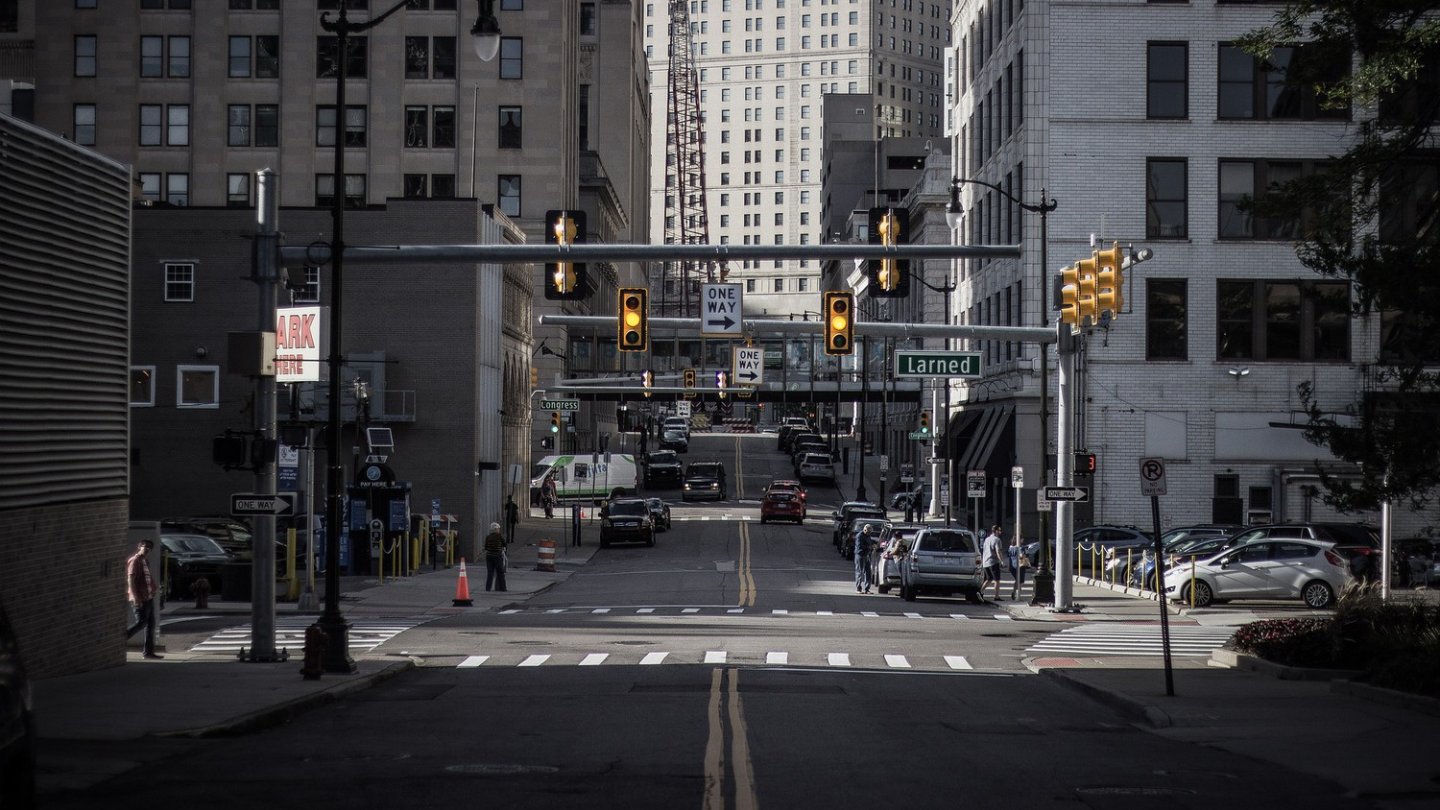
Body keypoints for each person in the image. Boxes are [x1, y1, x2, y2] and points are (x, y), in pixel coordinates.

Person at [125, 539, 162, 658]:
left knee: (150, 625)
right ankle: (121, 639)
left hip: (148, 597)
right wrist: (135, 597)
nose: (147, 549)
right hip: (139, 598)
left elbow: (147, 578)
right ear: (139, 547)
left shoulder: (145, 561)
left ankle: (148, 652)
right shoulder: (135, 560)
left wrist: (153, 588)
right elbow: (130, 579)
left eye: (149, 548)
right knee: (141, 622)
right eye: (144, 546)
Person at [980, 525, 1005, 602]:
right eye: (999, 530)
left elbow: (984, 550)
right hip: (993, 562)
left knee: (989, 579)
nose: (1000, 532)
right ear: (996, 531)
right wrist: (1002, 561)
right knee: (997, 580)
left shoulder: (987, 539)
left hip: (985, 562)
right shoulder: (997, 539)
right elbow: (998, 551)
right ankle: (996, 596)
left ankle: (980, 592)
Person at [483, 522, 507, 592]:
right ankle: (503, 588)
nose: (499, 530)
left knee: (490, 573)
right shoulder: (500, 536)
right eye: (498, 529)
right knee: (500, 572)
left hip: (489, 556)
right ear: (495, 529)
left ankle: (488, 588)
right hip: (497, 556)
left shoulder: (488, 537)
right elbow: (505, 545)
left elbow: (486, 547)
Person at [854, 524, 876, 594]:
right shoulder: (859, 536)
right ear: (865, 530)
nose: (869, 533)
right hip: (860, 555)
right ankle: (858, 588)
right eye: (868, 532)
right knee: (860, 572)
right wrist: (869, 547)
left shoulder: (868, 536)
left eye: (870, 532)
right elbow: (859, 546)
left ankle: (867, 589)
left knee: (868, 572)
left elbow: (870, 541)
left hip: (867, 555)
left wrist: (874, 544)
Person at [1009, 534, 1030, 600]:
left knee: (1017, 580)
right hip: (1020, 566)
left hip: (1012, 566)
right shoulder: (1020, 547)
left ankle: (1014, 592)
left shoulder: (1011, 547)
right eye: (1022, 539)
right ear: (1019, 539)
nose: (1023, 540)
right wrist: (1025, 555)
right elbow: (1021, 555)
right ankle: (1018, 595)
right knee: (1021, 581)